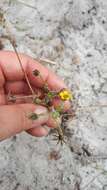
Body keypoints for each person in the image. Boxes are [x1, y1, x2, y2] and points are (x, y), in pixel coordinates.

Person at [0, 51, 70, 141]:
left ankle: (60, 134)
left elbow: (51, 96)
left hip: (46, 105)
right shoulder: (44, 96)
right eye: (62, 94)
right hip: (43, 105)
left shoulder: (51, 95)